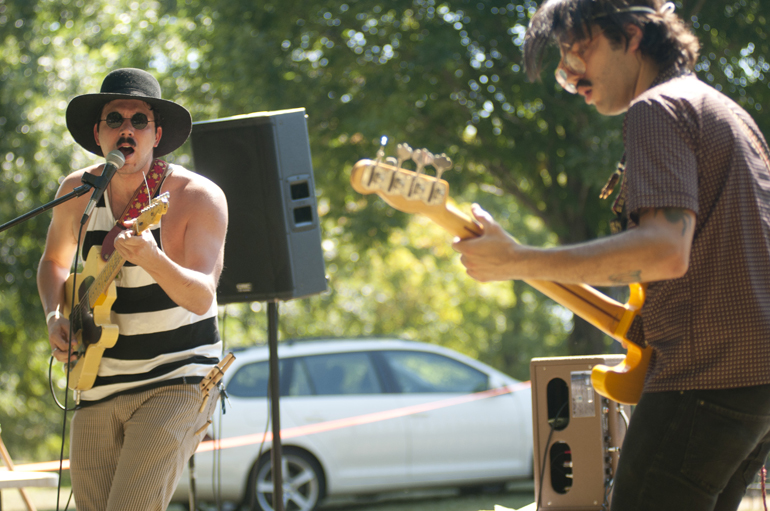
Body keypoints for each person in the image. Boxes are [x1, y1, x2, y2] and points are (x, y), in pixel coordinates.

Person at [453, 1, 770, 510]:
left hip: (705, 376)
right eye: (562, 55)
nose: (571, 72)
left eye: (580, 48)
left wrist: (516, 260)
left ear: (632, 35)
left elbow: (666, 252)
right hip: (753, 380)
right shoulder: (727, 112)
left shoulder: (658, 108)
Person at [37, 68, 228, 511]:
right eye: (115, 119)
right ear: (97, 134)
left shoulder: (196, 196)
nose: (127, 129)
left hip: (177, 380)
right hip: (97, 383)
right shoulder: (76, 191)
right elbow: (52, 263)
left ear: (156, 134)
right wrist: (54, 316)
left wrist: (152, 258)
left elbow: (202, 297)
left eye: (139, 120)